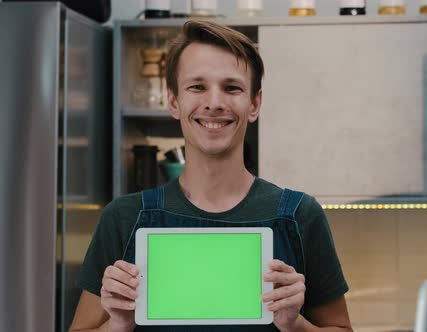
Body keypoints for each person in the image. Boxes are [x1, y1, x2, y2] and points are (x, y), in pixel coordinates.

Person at [69, 20, 351, 332]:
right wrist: (118, 325)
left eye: (231, 88)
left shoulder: (300, 215)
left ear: (254, 103)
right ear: (174, 101)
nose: (214, 103)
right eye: (197, 86)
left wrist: (294, 324)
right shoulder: (123, 218)